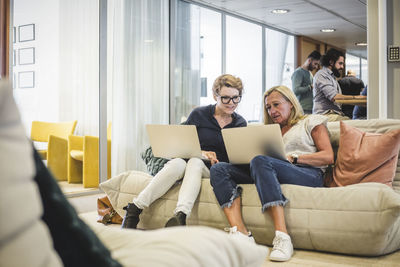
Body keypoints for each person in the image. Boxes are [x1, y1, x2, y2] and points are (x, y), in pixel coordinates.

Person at [210, 85, 334, 262]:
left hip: (307, 172)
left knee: (261, 160)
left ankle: (282, 237)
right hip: (269, 168)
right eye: (268, 107)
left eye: (276, 104)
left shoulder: (311, 121)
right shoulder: (267, 130)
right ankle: (242, 233)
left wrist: (296, 158)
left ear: (290, 103)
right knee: (219, 168)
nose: (272, 110)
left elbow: (328, 156)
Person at [121, 74, 247, 229]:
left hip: (214, 169)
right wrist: (202, 152)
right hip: (187, 161)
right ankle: (135, 208)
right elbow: (181, 144)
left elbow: (238, 157)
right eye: (226, 98)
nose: (231, 103)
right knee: (178, 164)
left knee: (194, 162)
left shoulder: (240, 123)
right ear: (215, 95)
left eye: (236, 98)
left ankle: (181, 213)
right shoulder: (199, 114)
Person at [313, 48, 365, 117]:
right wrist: (357, 98)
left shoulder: (332, 77)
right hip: (325, 115)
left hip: (334, 114)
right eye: (340, 63)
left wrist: (363, 101)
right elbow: (335, 97)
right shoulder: (322, 75)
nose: (342, 67)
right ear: (331, 62)